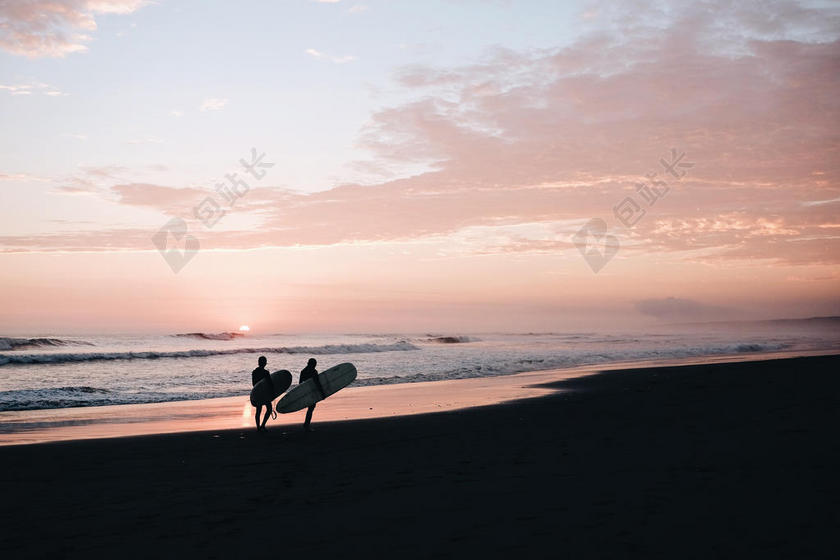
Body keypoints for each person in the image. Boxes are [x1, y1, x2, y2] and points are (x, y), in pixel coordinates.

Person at [300, 357, 326, 432]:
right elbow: (317, 383)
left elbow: (300, 384)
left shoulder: (303, 371)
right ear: (311, 364)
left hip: (306, 392)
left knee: (310, 408)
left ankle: (306, 424)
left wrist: (302, 394)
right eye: (314, 364)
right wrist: (322, 393)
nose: (315, 366)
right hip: (312, 392)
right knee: (311, 408)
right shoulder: (314, 371)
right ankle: (306, 425)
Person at [252, 356, 274, 431]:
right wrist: (273, 393)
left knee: (258, 410)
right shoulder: (266, 372)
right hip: (265, 394)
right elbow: (270, 384)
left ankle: (258, 427)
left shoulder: (254, 372)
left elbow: (254, 384)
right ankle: (263, 425)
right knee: (269, 409)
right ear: (264, 363)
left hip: (258, 393)